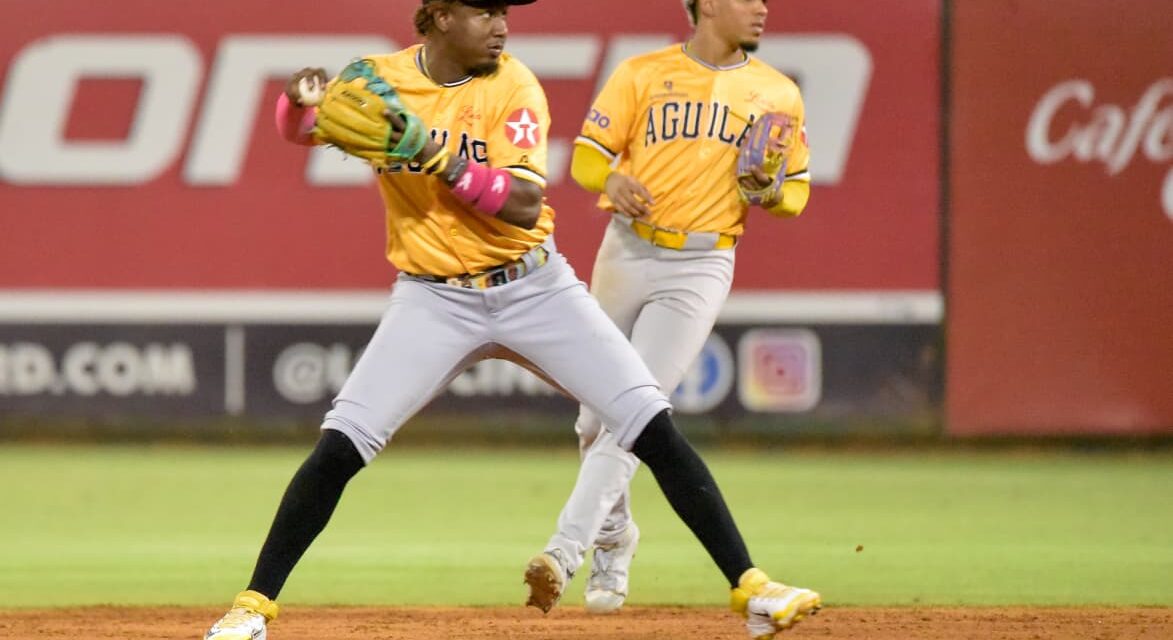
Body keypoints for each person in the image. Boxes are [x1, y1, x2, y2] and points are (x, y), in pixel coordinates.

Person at [204, 1, 818, 639]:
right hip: (432, 298)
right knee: (341, 444)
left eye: (503, 12)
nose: (500, 24)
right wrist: (297, 99)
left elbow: (523, 205)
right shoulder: (377, 80)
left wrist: (437, 157)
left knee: (649, 422)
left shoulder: (514, 85)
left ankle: (752, 590)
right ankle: (252, 608)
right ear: (440, 17)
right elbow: (301, 129)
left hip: (533, 287)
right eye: (483, 11)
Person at [525, 0, 814, 618]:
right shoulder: (642, 73)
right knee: (590, 420)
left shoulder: (777, 92)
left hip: (702, 264)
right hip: (627, 250)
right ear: (708, 4)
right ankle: (615, 535)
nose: (764, 8)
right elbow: (584, 157)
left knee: (634, 406)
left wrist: (770, 193)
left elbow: (796, 194)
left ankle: (567, 551)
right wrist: (609, 182)